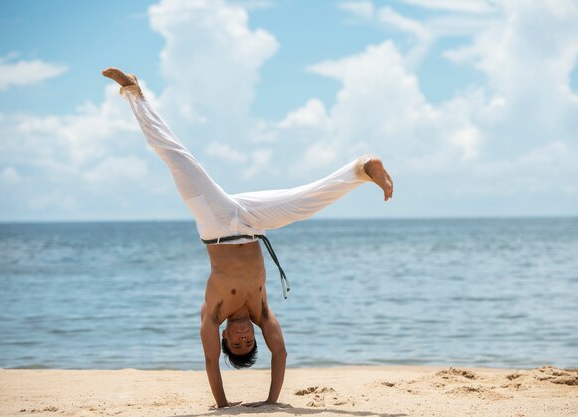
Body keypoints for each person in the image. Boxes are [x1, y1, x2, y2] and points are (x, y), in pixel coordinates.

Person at [101, 67, 394, 408]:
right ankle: (363, 167)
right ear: (256, 337)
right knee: (302, 204)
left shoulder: (213, 314)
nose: (242, 338)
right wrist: (271, 402)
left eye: (236, 343)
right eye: (248, 343)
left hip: (217, 224)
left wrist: (224, 407)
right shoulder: (262, 311)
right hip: (253, 224)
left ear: (224, 337)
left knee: (176, 157)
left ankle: (134, 92)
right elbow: (281, 353)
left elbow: (211, 362)